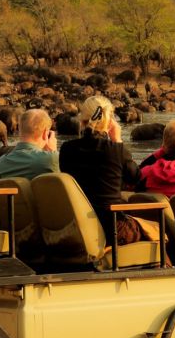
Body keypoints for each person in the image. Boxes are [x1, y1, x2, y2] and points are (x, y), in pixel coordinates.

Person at [59, 96, 143, 246]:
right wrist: (118, 140)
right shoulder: (115, 149)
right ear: (110, 121)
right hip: (112, 228)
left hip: (78, 226)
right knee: (156, 230)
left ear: (82, 119)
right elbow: (135, 177)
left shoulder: (66, 149)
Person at [0, 109, 59, 180]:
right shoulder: (52, 159)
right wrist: (53, 151)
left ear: (20, 131)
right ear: (45, 133)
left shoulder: (1, 163)